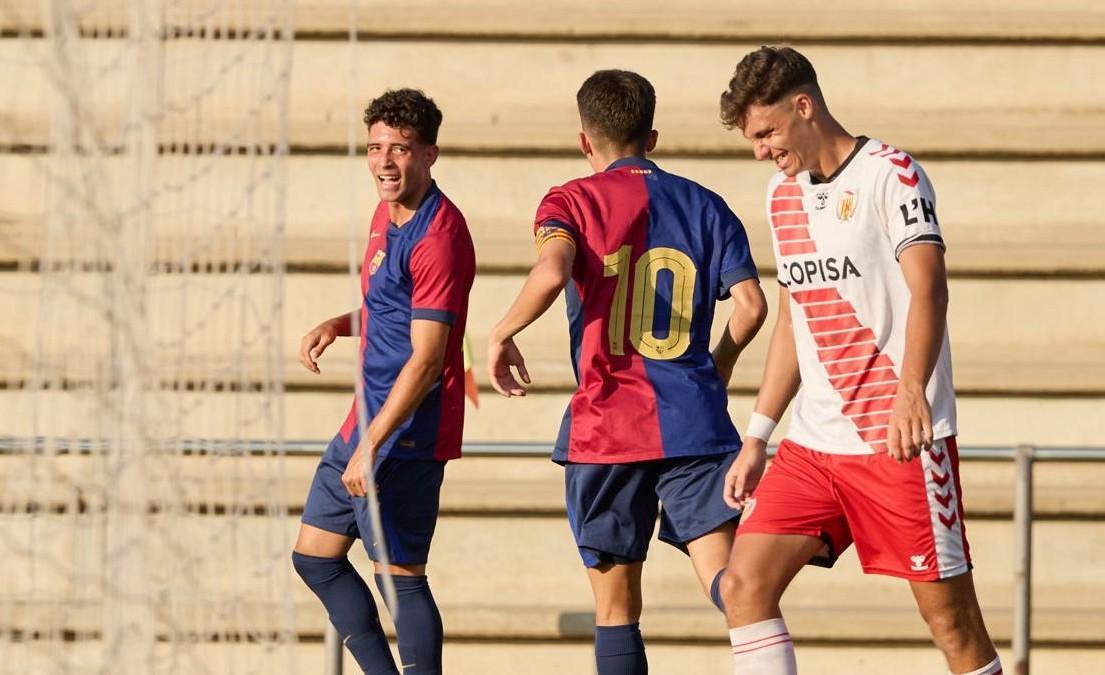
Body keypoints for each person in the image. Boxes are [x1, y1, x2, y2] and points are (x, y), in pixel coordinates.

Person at [716, 46, 1002, 675]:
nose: (760, 151)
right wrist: (758, 435)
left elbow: (930, 287)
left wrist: (911, 391)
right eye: (752, 140)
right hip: (813, 446)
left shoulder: (891, 174)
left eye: (766, 133)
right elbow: (794, 316)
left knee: (953, 625)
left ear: (804, 106)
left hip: (896, 442)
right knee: (742, 586)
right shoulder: (781, 194)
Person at [487, 69, 767, 674]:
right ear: (653, 137)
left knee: (616, 609)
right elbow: (751, 306)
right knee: (732, 585)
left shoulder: (570, 201)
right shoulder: (707, 205)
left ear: (584, 141)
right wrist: (715, 367)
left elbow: (552, 271)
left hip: (606, 427)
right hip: (693, 422)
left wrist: (502, 331)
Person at [292, 88, 475, 675]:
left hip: (406, 431)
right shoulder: (385, 211)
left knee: (400, 578)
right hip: (364, 420)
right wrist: (340, 324)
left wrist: (373, 446)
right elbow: (393, 308)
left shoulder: (439, 235)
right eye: (375, 148)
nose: (384, 161)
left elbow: (427, 358)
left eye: (400, 148)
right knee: (315, 557)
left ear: (429, 154)